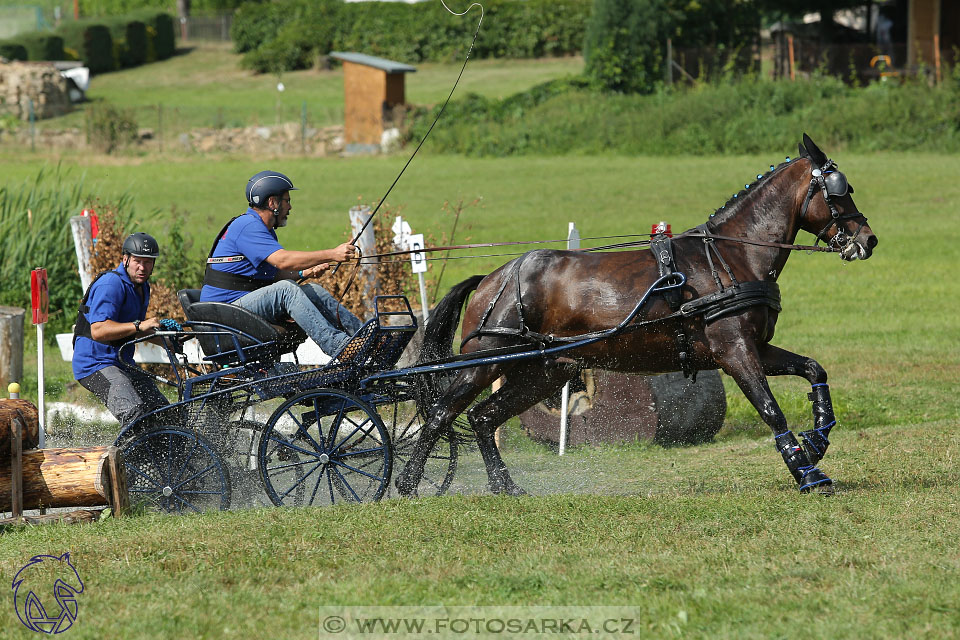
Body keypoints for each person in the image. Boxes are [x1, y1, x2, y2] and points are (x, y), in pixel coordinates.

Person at [199, 170, 364, 357]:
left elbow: (272, 274)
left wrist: (304, 273)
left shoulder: (261, 229)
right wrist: (332, 254)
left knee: (312, 291)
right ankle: (340, 346)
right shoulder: (247, 226)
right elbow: (282, 260)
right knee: (286, 290)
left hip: (234, 308)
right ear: (272, 203)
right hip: (223, 314)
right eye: (287, 200)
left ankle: (364, 336)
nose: (290, 207)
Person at [72, 233, 170, 427]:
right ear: (125, 259)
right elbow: (98, 330)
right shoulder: (111, 284)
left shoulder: (142, 287)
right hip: (94, 365)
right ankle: (125, 456)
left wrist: (170, 342)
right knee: (135, 417)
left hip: (123, 363)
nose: (142, 267)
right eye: (137, 261)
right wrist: (138, 325)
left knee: (162, 414)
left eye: (148, 262)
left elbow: (133, 331)